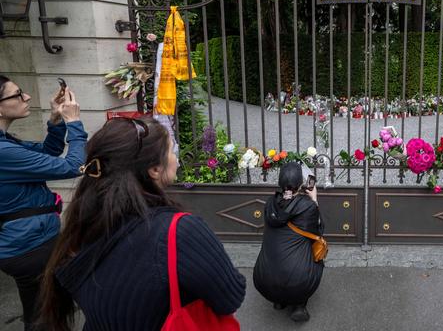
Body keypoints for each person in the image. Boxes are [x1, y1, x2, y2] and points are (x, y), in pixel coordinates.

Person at [39, 117, 246, 331]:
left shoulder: (85, 223)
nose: (176, 158)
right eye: (171, 151)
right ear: (154, 169)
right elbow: (231, 297)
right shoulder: (179, 231)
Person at [0, 75, 86, 331]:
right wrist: (75, 123)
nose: (26, 97)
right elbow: (75, 166)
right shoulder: (3, 151)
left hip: (30, 242)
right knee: (45, 319)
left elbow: (47, 155)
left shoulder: (7, 144)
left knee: (47, 313)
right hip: (29, 247)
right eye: (17, 94)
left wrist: (57, 121)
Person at [254, 162, 324, 322]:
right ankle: (299, 305)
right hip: (297, 283)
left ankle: (279, 301)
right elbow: (318, 232)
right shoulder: (307, 207)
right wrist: (314, 200)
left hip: (262, 280)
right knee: (316, 255)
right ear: (301, 183)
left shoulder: (270, 203)